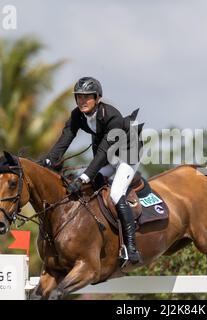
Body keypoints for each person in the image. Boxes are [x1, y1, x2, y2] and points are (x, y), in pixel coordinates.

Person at [39, 76, 143, 264]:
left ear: (97, 98)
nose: (82, 101)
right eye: (79, 97)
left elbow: (103, 152)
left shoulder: (112, 116)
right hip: (107, 156)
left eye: (87, 97)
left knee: (116, 193)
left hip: (127, 154)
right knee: (84, 186)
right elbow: (64, 140)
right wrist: (47, 161)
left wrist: (86, 176)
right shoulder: (77, 115)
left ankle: (131, 248)